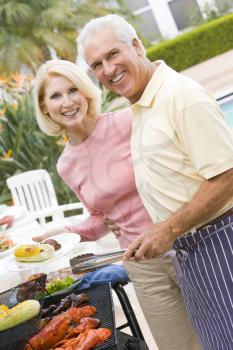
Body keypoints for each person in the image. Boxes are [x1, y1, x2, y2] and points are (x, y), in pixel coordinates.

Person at [78, 14, 233, 350]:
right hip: (190, 251)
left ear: (137, 45)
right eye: (97, 64)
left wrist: (168, 229)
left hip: (221, 244)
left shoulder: (180, 96)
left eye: (113, 54)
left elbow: (227, 175)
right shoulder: (143, 105)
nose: (107, 69)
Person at [32, 59, 199, 350]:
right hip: (140, 262)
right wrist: (61, 233)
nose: (68, 102)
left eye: (73, 90)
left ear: (86, 93)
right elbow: (100, 220)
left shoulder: (126, 121)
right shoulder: (66, 165)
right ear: (45, 108)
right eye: (56, 96)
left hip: (185, 244)